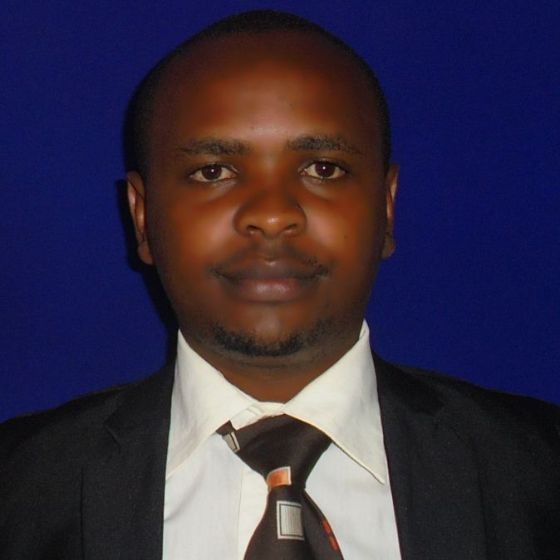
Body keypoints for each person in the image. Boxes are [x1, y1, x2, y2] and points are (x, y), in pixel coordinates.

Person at [1, 9, 558, 560]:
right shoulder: (19, 490)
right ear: (143, 218)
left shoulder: (539, 473)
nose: (271, 216)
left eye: (323, 168)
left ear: (387, 209)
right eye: (213, 171)